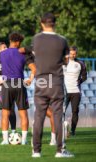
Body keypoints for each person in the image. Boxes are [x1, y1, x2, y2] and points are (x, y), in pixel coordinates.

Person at [31, 12, 74, 158]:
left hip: (41, 80)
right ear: (54, 23)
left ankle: (36, 151)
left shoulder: (36, 39)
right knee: (58, 116)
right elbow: (67, 61)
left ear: (41, 23)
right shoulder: (62, 40)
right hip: (55, 80)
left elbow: (33, 56)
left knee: (39, 116)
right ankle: (60, 151)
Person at [0, 32, 36, 145]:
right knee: (23, 113)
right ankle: (24, 140)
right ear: (18, 42)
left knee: (5, 113)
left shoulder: (1, 54)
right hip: (19, 84)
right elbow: (34, 69)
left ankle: (5, 140)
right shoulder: (23, 53)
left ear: (10, 41)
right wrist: (30, 79)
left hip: (6, 85)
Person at [0, 42, 17, 137]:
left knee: (11, 108)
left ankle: (13, 131)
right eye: (5, 47)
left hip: (9, 85)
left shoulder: (10, 58)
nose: (7, 48)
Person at [63, 46, 87, 136]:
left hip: (76, 91)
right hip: (65, 91)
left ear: (76, 54)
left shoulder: (80, 63)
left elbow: (85, 76)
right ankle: (61, 129)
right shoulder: (63, 62)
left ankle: (73, 131)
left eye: (74, 54)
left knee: (75, 111)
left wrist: (80, 81)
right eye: (71, 53)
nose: (72, 55)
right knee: (62, 111)